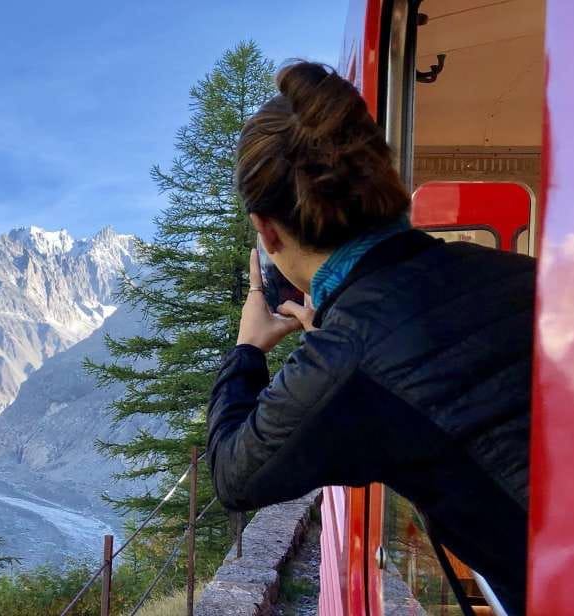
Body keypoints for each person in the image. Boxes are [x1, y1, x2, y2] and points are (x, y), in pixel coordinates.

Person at [206, 61, 533, 614]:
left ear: (266, 229)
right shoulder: (511, 272)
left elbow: (233, 475)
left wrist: (247, 349)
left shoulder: (347, 357)